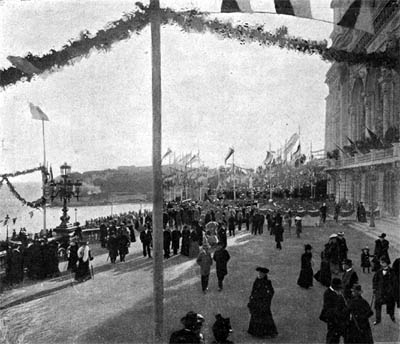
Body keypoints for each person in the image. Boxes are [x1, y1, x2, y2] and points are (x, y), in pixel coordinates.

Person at [247, 267, 278, 338]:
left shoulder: (267, 282)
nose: (260, 274)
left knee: (265, 317)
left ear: (264, 274)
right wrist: (252, 299)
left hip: (263, 303)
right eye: (259, 273)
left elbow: (271, 292)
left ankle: (266, 332)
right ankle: (256, 331)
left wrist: (266, 298)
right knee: (256, 316)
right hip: (256, 302)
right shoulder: (256, 281)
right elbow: (253, 291)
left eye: (262, 273)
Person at [319, 278, 349, 344]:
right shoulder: (328, 293)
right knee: (332, 336)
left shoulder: (335, 292)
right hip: (333, 319)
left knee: (336, 336)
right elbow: (330, 308)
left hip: (337, 318)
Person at [372, 257, 396, 325]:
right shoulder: (378, 272)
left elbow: (394, 282)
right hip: (380, 292)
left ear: (387, 263)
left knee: (391, 305)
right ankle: (378, 319)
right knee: (377, 306)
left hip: (389, 293)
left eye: (382, 262)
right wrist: (374, 288)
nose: (381, 264)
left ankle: (392, 317)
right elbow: (374, 280)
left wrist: (392, 290)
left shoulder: (392, 271)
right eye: (380, 262)